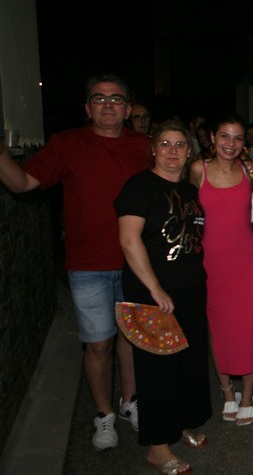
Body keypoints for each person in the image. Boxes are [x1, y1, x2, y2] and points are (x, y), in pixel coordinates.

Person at [0, 74, 147, 450]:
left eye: (116, 99)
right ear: (88, 108)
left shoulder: (145, 147)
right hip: (88, 265)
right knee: (98, 343)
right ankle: (103, 415)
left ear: (128, 109)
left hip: (137, 262)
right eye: (99, 98)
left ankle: (130, 401)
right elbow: (22, 183)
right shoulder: (66, 144)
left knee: (132, 338)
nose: (108, 104)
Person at [115, 121, 211, 474]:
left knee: (187, 362)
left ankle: (178, 424)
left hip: (190, 287)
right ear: (153, 149)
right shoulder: (139, 186)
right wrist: (155, 288)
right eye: (165, 144)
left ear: (189, 152)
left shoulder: (189, 189)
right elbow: (129, 240)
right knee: (157, 369)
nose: (173, 151)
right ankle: (157, 446)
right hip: (152, 290)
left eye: (180, 145)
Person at [189, 115, 253, 426]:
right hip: (210, 263)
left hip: (246, 262)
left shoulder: (249, 170)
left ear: (244, 143)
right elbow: (187, 212)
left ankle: (247, 395)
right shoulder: (198, 170)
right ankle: (227, 392)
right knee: (217, 328)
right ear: (212, 138)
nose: (230, 144)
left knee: (249, 327)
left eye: (237, 138)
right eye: (224, 136)